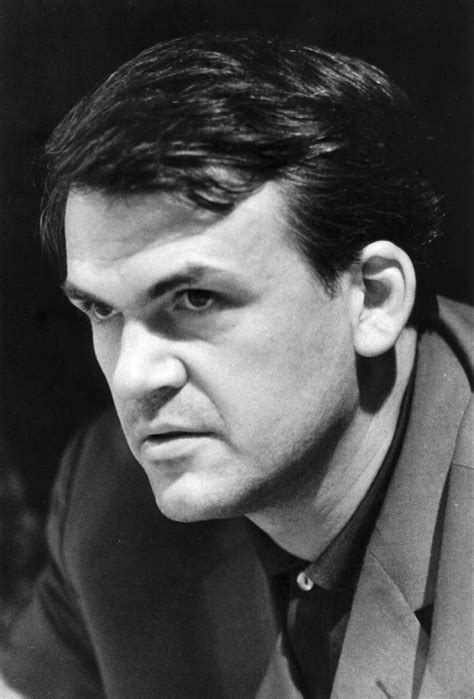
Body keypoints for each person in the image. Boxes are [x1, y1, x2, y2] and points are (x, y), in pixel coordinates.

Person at [1, 32, 472, 698]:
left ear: (372, 298)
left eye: (196, 299)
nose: (133, 378)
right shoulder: (112, 493)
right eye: (102, 310)